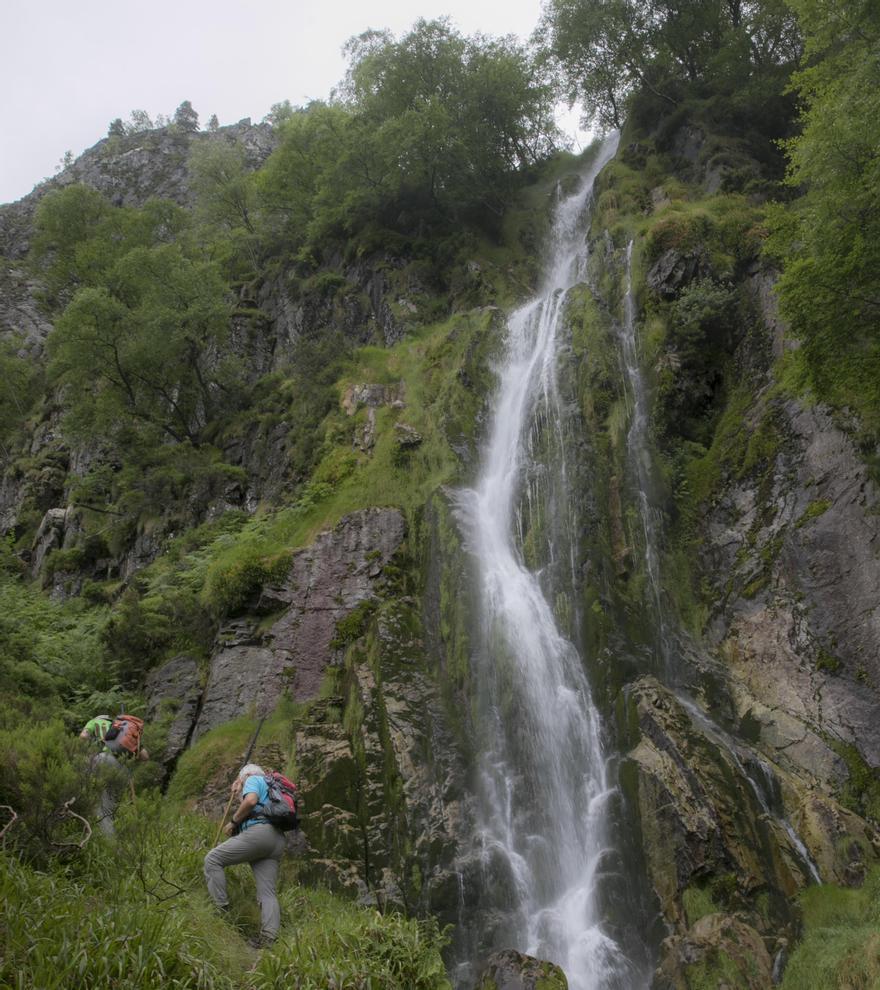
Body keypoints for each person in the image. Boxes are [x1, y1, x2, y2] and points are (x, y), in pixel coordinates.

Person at [204, 763, 286, 947]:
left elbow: (250, 802)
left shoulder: (253, 779)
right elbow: (252, 804)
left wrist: (233, 822)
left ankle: (221, 911)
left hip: (259, 834)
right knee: (267, 893)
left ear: (246, 775)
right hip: (277, 840)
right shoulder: (270, 786)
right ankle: (268, 939)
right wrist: (238, 792)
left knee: (213, 859)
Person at [79, 714, 148, 836]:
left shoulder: (94, 722)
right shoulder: (121, 729)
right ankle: (115, 835)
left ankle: (108, 844)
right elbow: (145, 756)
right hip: (122, 770)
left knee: (100, 806)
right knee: (109, 805)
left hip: (101, 761)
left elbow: (83, 737)